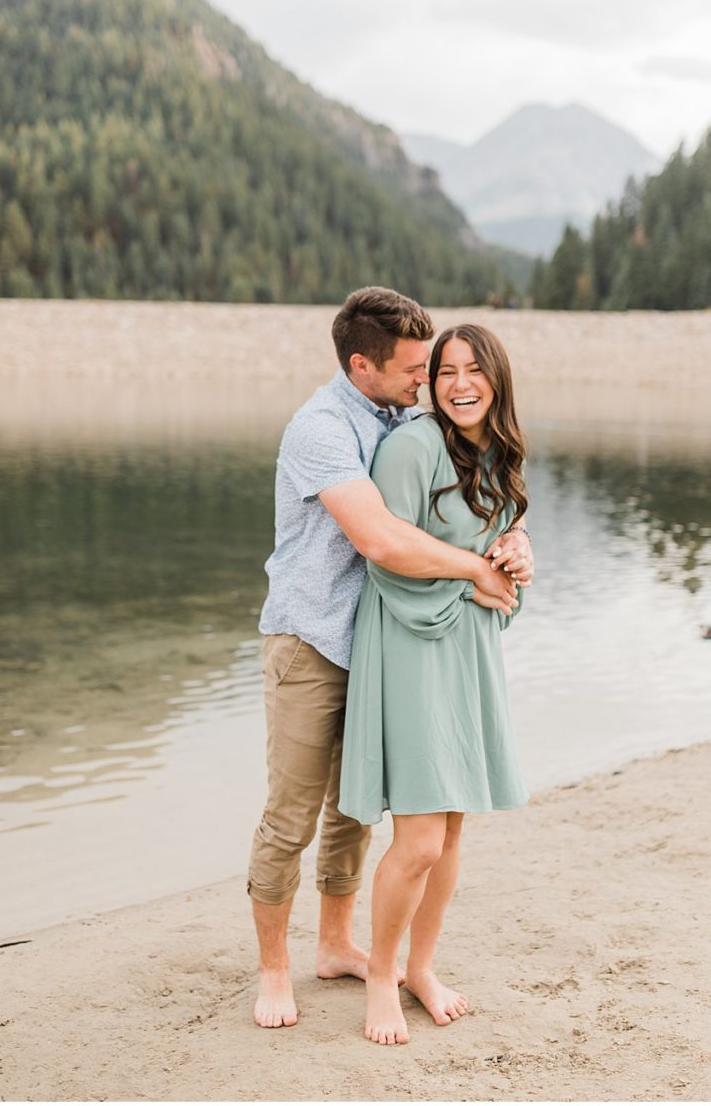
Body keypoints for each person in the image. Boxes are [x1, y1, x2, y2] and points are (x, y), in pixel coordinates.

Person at [247, 290, 531, 1030]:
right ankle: (274, 970)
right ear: (360, 365)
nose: (427, 381)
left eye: (431, 368)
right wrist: (475, 573)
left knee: (355, 816)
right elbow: (378, 540)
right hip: (314, 640)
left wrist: (515, 545)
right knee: (292, 817)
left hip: (385, 644)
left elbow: (474, 495)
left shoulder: (406, 418)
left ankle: (338, 944)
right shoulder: (322, 428)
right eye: (416, 370)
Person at [338, 322, 535, 1045]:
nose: (458, 385)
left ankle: (422, 967)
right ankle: (382, 977)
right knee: (419, 837)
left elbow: (496, 571)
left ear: (496, 379)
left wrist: (514, 557)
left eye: (473, 371)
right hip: (413, 641)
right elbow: (388, 558)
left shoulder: (497, 453)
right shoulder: (411, 447)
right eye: (445, 371)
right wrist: (474, 575)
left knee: (451, 832)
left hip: (469, 651)